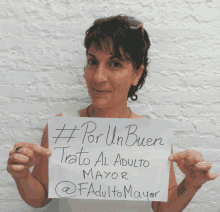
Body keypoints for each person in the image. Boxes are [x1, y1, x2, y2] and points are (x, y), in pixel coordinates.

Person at [7, 15, 217, 212]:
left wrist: (190, 184)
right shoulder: (62, 127)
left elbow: (162, 207)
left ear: (137, 73)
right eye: (92, 61)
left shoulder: (151, 137)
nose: (98, 77)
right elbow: (40, 197)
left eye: (115, 63)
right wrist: (22, 175)